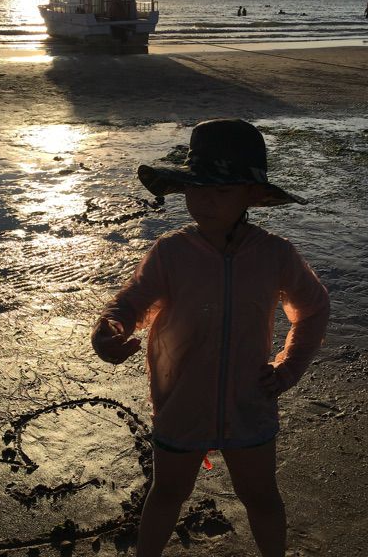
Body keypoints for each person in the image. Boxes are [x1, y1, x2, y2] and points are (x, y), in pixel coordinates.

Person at [91, 119, 330, 557]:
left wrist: (288, 367)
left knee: (260, 496)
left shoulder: (275, 254)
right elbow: (131, 302)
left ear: (251, 195)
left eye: (221, 190)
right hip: (181, 402)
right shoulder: (171, 252)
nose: (205, 199)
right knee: (168, 492)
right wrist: (110, 330)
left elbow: (313, 308)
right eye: (196, 188)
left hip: (249, 402)